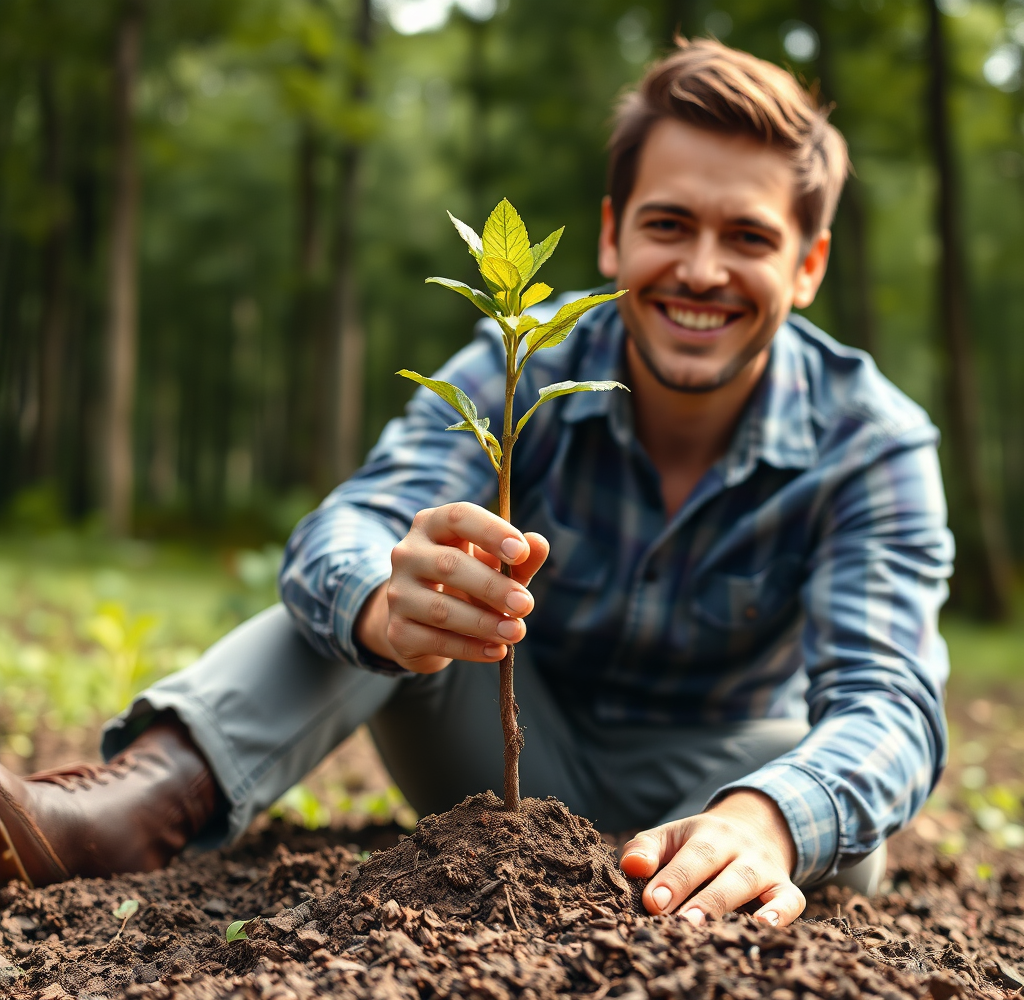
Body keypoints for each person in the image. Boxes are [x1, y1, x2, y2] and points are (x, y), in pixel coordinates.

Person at [0, 39, 952, 929]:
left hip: (723, 789)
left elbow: (889, 704)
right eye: (669, 224)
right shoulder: (516, 370)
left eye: (748, 236)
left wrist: (768, 817)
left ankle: (737, 844)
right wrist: (385, 600)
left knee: (834, 820)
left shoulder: (873, 443)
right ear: (614, 238)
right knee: (376, 584)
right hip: (495, 763)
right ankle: (143, 802)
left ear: (809, 263)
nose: (702, 270)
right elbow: (357, 520)